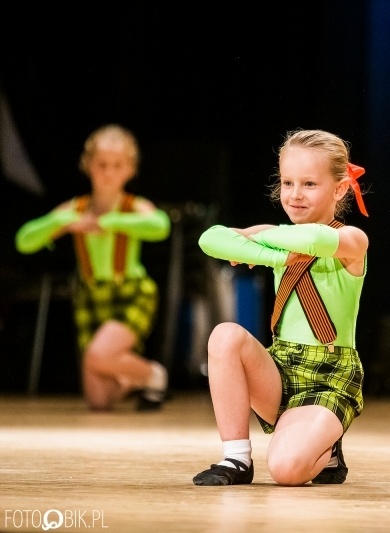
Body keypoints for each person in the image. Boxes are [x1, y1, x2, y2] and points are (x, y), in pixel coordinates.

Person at [192, 129, 369, 487]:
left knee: (287, 472)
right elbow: (210, 238)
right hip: (281, 367)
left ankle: (327, 447)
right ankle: (236, 458)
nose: (295, 195)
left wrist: (258, 244)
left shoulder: (352, 241)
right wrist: (275, 254)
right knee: (225, 335)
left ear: (338, 189)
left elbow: (315, 239)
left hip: (329, 376)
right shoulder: (279, 237)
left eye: (309, 184)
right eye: (287, 183)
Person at [15, 124, 171, 411]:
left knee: (97, 355)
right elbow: (24, 240)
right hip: (89, 295)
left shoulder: (131, 206)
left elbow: (160, 225)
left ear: (130, 169)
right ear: (88, 166)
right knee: (98, 401)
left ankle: (154, 375)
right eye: (101, 165)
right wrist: (62, 224)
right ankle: (131, 379)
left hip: (131, 292)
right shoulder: (76, 208)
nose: (109, 172)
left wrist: (107, 222)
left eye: (117, 165)